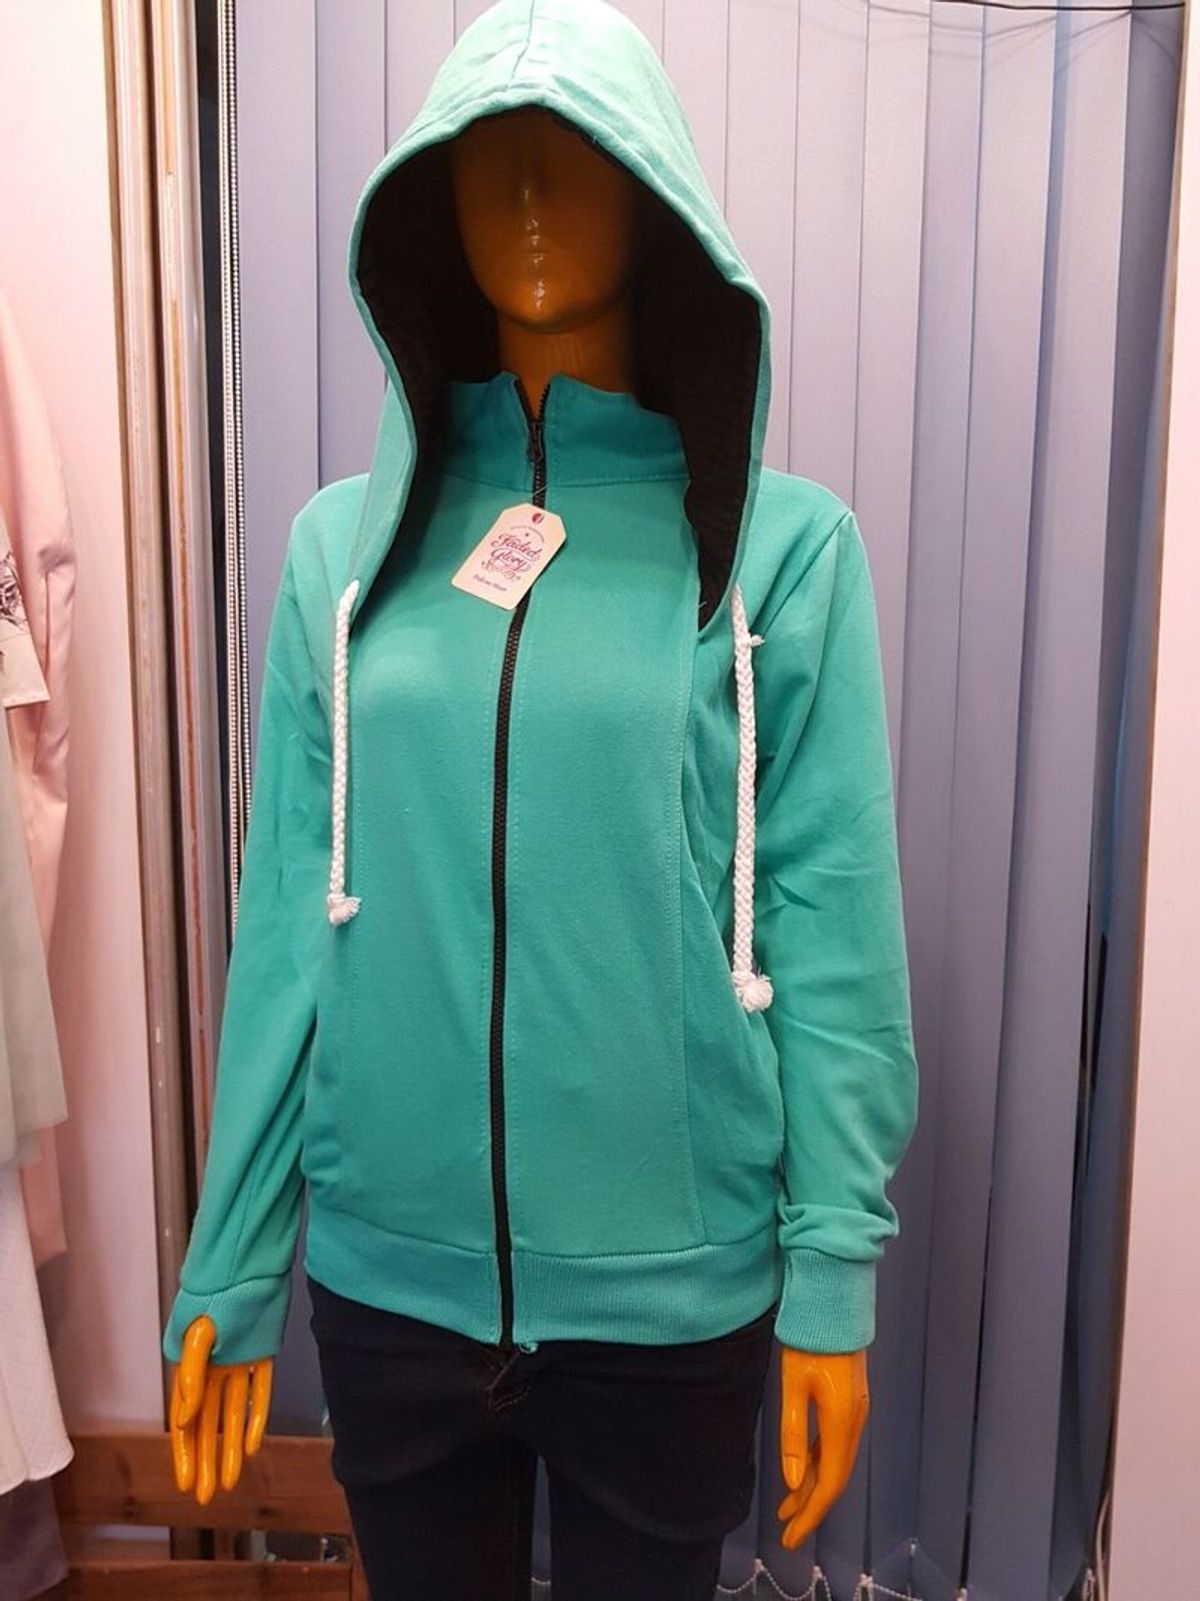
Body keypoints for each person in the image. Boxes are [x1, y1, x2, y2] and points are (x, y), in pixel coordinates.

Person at [163, 3, 920, 1595]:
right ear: (424, 204)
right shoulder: (340, 557)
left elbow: (830, 928)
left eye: (574, 151)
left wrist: (834, 1272)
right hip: (392, 1290)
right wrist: (231, 1256)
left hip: (671, 1295)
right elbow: (291, 921)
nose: (523, 190)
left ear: (657, 195)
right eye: (481, 154)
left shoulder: (782, 554)